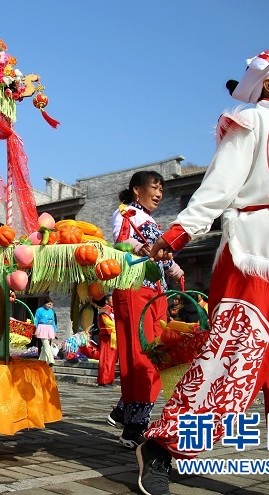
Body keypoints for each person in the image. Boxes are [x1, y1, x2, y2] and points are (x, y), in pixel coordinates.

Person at [137, 48, 269, 495]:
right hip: (255, 256)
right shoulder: (252, 123)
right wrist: (177, 235)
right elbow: (219, 187)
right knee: (234, 365)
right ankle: (164, 448)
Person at [109, 171, 184, 450]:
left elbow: (161, 256)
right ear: (136, 189)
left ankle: (125, 413)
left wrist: (174, 268)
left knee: (155, 355)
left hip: (156, 293)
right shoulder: (125, 213)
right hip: (135, 288)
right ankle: (133, 427)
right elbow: (122, 242)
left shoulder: (151, 220)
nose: (160, 193)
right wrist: (142, 248)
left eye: (162, 189)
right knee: (141, 356)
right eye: (155, 187)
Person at [95, 294, 117, 386]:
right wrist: (118, 327)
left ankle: (110, 379)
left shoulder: (114, 311)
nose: (113, 301)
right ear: (106, 301)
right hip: (107, 337)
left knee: (112, 359)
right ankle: (104, 380)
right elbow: (107, 323)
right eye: (112, 299)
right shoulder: (103, 310)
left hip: (113, 337)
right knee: (106, 359)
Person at [34, 298, 57, 366]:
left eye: (50, 304)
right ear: (45, 304)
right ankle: (51, 360)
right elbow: (36, 320)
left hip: (49, 328)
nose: (49, 306)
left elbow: (53, 321)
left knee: (45, 346)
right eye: (48, 304)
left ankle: (41, 360)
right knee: (46, 344)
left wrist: (55, 330)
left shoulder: (51, 311)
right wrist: (35, 329)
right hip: (42, 327)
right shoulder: (39, 310)